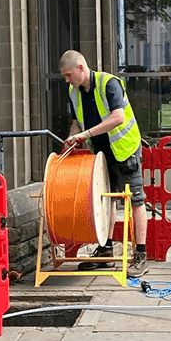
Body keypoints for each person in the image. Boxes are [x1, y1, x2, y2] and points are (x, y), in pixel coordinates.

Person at [59, 50, 147, 274]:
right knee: (106, 200)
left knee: (136, 200)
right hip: (101, 152)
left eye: (69, 75)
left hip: (125, 149)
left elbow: (118, 117)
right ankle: (106, 251)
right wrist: (72, 138)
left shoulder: (109, 84)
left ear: (81, 68)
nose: (67, 80)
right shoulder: (74, 91)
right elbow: (76, 122)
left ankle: (141, 254)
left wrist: (85, 134)